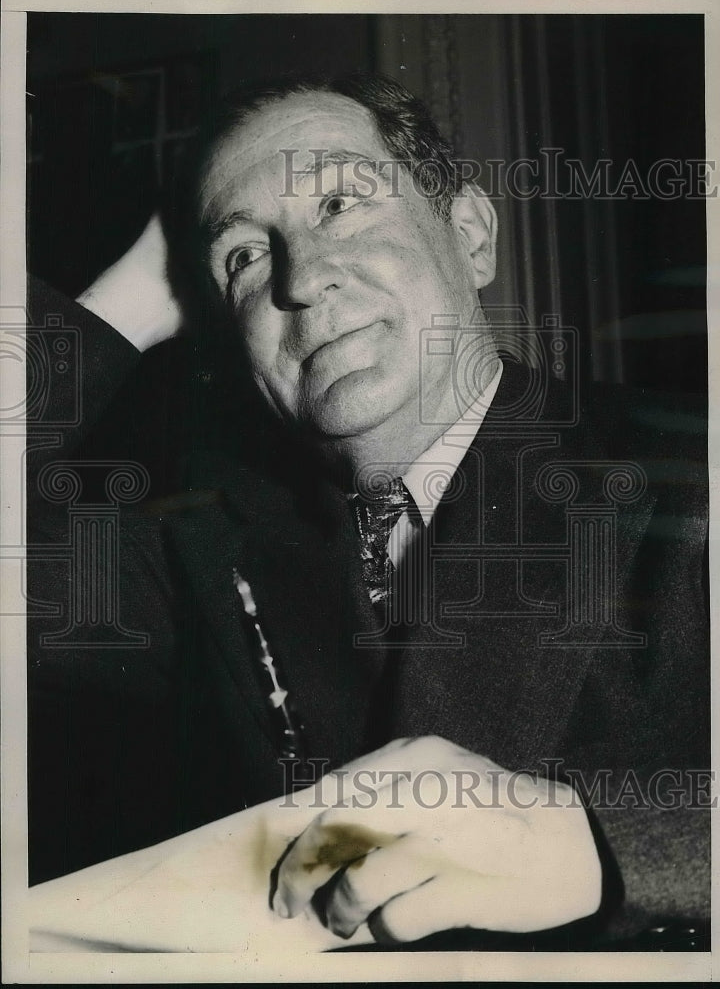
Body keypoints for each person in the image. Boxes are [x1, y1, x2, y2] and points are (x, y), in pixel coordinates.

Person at [27, 74, 709, 949]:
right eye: (247, 256)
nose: (303, 280)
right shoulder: (198, 556)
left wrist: (605, 845)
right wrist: (116, 310)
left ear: (468, 236)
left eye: (341, 204)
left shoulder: (687, 474)